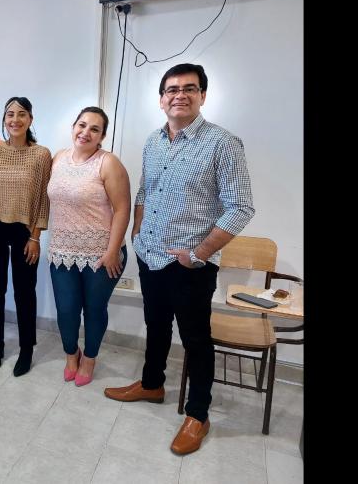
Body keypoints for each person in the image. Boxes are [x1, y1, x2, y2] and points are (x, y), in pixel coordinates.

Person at [103, 63, 255, 455]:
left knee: (196, 340)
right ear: (161, 99)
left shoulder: (223, 143)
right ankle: (152, 384)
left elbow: (240, 208)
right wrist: (137, 232)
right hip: (151, 256)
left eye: (189, 88)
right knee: (155, 326)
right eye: (171, 89)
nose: (179, 95)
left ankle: (198, 414)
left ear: (203, 95)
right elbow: (143, 192)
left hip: (190, 265)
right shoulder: (154, 141)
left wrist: (199, 254)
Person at [47, 106, 131, 387]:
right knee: (66, 310)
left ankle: (90, 358)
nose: (85, 132)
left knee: (94, 310)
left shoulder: (108, 163)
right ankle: (72, 354)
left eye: (94, 129)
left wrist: (112, 251)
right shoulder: (58, 158)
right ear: (73, 127)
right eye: (81, 125)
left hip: (101, 254)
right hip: (61, 252)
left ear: (102, 136)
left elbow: (122, 209)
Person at [0, 96, 51, 376]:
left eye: (21, 114)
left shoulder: (41, 154)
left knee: (24, 292)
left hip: (24, 232)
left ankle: (27, 349)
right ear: (4, 120)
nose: (15, 120)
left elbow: (43, 198)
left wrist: (36, 236)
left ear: (30, 119)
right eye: (9, 114)